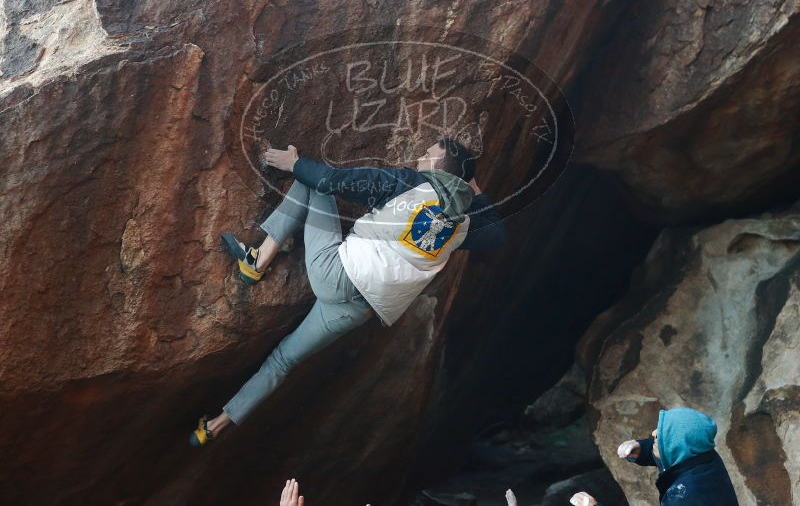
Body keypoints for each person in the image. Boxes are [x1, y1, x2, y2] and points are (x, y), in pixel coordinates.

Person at [189, 137, 508, 445]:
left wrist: (295, 163)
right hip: (358, 310)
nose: (420, 159)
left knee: (309, 180)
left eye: (427, 154)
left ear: (440, 166)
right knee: (282, 361)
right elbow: (497, 234)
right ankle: (216, 425)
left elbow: (329, 180)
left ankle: (257, 262)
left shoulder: (409, 184)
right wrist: (475, 193)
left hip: (336, 274)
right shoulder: (463, 227)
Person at [570, 407, 739, 506]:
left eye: (662, 435)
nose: (654, 433)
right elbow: (675, 452)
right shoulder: (705, 456)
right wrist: (642, 448)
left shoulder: (685, 496)